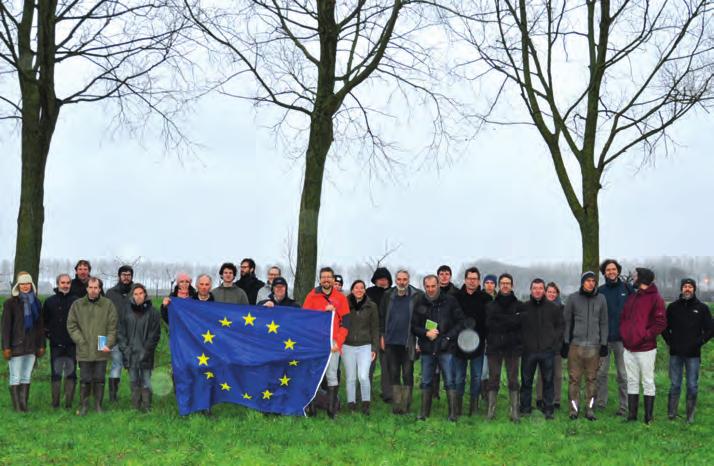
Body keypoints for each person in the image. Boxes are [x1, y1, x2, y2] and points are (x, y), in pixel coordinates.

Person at [412, 275, 464, 421]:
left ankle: (453, 414)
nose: (430, 289)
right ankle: (423, 414)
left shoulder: (450, 301)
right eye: (427, 287)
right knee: (426, 380)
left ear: (438, 285)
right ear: (424, 287)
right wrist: (425, 333)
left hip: (446, 348)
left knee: (449, 381)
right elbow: (413, 326)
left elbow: (461, 322)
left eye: (433, 286)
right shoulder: (419, 301)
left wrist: (448, 337)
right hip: (427, 348)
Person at [620, 267, 666, 425]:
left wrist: (644, 336)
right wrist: (625, 336)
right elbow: (624, 319)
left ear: (643, 278)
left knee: (647, 381)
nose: (633, 277)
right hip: (628, 347)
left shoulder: (656, 298)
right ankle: (632, 416)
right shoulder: (633, 297)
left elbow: (660, 324)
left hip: (646, 349)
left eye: (635, 275)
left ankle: (648, 418)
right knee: (632, 380)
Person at [303, 267, 350, 419]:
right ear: (320, 279)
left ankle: (331, 410)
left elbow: (346, 322)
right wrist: (323, 311)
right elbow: (305, 318)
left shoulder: (341, 298)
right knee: (313, 373)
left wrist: (339, 342)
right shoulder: (312, 296)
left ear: (333, 279)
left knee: (332, 374)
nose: (326, 280)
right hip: (316, 341)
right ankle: (311, 407)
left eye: (329, 277)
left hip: (333, 342)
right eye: (323, 277)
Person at [663, 278, 712, 423]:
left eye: (690, 287)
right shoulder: (672, 307)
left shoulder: (702, 308)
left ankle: (690, 416)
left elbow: (710, 329)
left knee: (692, 385)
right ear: (681, 289)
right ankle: (672, 414)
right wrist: (670, 342)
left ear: (694, 289)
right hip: (675, 353)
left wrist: (700, 342)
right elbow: (663, 326)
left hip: (693, 354)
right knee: (675, 384)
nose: (687, 289)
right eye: (685, 286)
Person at [67, 277, 118, 416]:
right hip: (84, 349)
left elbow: (112, 327)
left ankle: (98, 406)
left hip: (101, 350)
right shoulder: (77, 305)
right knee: (85, 379)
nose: (93, 290)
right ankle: (83, 406)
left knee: (99, 379)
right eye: (91, 287)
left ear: (100, 289)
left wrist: (108, 344)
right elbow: (71, 325)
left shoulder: (108, 305)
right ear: (87, 288)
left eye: (96, 287)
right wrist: (80, 341)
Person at [562, 271, 608, 421]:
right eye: (587, 280)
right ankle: (574, 409)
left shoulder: (601, 299)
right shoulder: (573, 298)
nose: (590, 283)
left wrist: (604, 344)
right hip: (575, 346)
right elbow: (567, 321)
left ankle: (590, 409)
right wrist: (565, 342)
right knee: (574, 379)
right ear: (582, 282)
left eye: (593, 281)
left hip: (594, 347)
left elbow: (603, 322)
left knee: (592, 379)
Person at [519, 279, 565, 420]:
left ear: (544, 290)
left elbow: (560, 327)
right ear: (531, 290)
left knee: (548, 381)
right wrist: (523, 343)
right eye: (535, 288)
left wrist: (552, 343)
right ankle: (525, 408)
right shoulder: (524, 307)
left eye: (540, 288)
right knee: (526, 381)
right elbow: (518, 327)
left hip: (547, 351)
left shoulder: (553, 308)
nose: (537, 290)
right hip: (528, 351)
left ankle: (549, 409)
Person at [380, 270, 422, 415]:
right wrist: (382, 336)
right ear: (395, 280)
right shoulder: (387, 295)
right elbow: (382, 317)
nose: (402, 282)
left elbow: (422, 319)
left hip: (408, 342)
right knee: (393, 372)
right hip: (391, 341)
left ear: (408, 280)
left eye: (404, 279)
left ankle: (406, 404)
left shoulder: (417, 296)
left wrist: (418, 341)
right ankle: (397, 406)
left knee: (407, 373)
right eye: (399, 279)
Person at [2, 272, 45, 412]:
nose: (25, 286)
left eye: (27, 283)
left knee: (26, 376)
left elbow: (40, 326)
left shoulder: (36, 303)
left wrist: (41, 345)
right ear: (18, 286)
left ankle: (24, 406)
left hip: (32, 346)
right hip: (16, 346)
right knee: (15, 377)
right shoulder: (10, 304)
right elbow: (6, 327)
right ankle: (17, 408)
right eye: (22, 284)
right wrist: (6, 347)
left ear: (31, 285)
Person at [595, 259, 633, 415]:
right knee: (601, 373)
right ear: (604, 272)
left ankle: (624, 407)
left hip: (622, 340)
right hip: (603, 340)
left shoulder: (627, 289)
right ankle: (600, 404)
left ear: (618, 271)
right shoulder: (600, 291)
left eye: (614, 269)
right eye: (608, 269)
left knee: (623, 375)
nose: (611, 272)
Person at [118, 283, 161, 412]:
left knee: (146, 380)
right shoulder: (125, 311)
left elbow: (155, 334)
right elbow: (120, 332)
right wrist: (125, 349)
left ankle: (147, 406)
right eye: (135, 294)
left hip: (146, 353)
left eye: (141, 293)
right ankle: (135, 406)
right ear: (132, 296)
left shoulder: (153, 312)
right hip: (130, 353)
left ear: (145, 295)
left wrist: (146, 351)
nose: (138, 296)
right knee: (133, 380)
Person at [453, 267, 490, 416]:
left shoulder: (485, 298)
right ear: (465, 279)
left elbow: (489, 321)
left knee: (476, 376)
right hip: (459, 344)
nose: (472, 281)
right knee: (459, 377)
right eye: (469, 278)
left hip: (478, 344)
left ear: (479, 281)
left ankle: (473, 408)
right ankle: (458, 407)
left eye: (475, 279)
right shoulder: (455, 297)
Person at [485, 273, 522, 422]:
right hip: (494, 347)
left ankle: (514, 411)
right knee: (493, 379)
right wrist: (510, 321)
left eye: (508, 283)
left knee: (513, 379)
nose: (505, 285)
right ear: (499, 285)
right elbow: (489, 325)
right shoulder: (490, 305)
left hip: (512, 348)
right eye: (503, 283)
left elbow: (519, 325)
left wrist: (501, 321)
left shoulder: (519, 305)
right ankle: (491, 411)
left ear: (512, 285)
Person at [42, 273, 79, 409]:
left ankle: (68, 404)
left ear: (70, 284)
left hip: (71, 345)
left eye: (68, 283)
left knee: (71, 373)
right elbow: (44, 321)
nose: (65, 285)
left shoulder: (76, 301)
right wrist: (49, 335)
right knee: (56, 373)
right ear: (58, 284)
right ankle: (55, 404)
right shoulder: (49, 301)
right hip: (56, 345)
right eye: (62, 283)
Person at [343, 280, 379, 415]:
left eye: (362, 288)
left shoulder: (372, 306)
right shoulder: (345, 304)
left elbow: (375, 328)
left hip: (365, 346)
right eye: (356, 287)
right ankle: (351, 405)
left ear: (365, 290)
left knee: (363, 376)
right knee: (351, 378)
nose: (359, 290)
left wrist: (374, 348)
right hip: (347, 346)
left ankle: (366, 405)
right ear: (352, 290)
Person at [105, 265, 134, 403]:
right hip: (115, 335)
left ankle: (137, 397)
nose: (126, 277)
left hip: (133, 336)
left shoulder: (137, 291)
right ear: (119, 276)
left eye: (129, 274)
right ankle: (113, 397)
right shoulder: (111, 293)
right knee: (117, 364)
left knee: (135, 365)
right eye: (124, 274)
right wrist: (104, 340)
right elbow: (104, 315)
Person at [366, 267, 393, 403]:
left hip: (387, 331)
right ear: (375, 280)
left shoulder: (393, 293)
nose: (382, 282)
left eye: (385, 279)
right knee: (369, 364)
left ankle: (387, 393)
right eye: (380, 279)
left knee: (387, 364)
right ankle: (366, 393)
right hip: (370, 332)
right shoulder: (368, 293)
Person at [536, 282, 564, 410]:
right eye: (549, 292)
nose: (551, 294)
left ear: (557, 294)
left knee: (557, 375)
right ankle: (540, 398)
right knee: (542, 374)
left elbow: (563, 327)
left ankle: (556, 400)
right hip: (541, 347)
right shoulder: (539, 307)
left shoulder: (562, 308)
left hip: (556, 347)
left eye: (554, 292)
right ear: (545, 293)